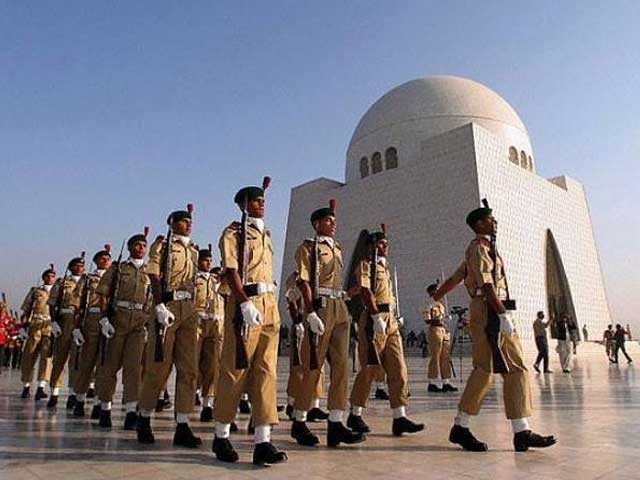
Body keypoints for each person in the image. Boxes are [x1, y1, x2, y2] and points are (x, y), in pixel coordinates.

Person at [434, 203, 556, 452]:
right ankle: (473, 428)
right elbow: (487, 285)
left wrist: (437, 295)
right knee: (505, 367)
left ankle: (501, 429)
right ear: (479, 225)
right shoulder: (479, 248)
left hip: (491, 309)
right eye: (491, 219)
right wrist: (502, 314)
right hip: (490, 311)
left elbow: (457, 278)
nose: (495, 222)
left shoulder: (485, 249)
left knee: (495, 369)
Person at [212, 182, 287, 465]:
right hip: (247, 304)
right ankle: (221, 436)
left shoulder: (266, 233)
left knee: (266, 373)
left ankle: (263, 442)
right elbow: (232, 271)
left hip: (269, 307)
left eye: (262, 200)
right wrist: (243, 302)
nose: (261, 204)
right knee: (235, 371)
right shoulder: (233, 233)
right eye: (255, 201)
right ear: (243, 204)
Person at [289, 201, 365, 448]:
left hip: (339, 307)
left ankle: (336, 423)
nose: (333, 224)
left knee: (342, 367)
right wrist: (309, 312)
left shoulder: (338, 248)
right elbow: (303, 281)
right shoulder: (308, 248)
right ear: (316, 224)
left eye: (334, 220)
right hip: (320, 307)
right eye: (328, 221)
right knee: (313, 366)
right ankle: (299, 421)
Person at [347, 228, 423, 436]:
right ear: (371, 246)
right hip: (374, 320)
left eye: (386, 243)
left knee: (399, 368)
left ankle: (400, 416)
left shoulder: (385, 269)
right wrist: (374, 316)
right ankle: (355, 413)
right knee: (370, 368)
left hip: (390, 322)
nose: (385, 246)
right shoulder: (365, 265)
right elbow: (365, 290)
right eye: (380, 243)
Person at [136, 206, 201, 448]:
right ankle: (144, 417)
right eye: (183, 221)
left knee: (189, 369)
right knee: (158, 368)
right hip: (168, 305)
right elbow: (153, 274)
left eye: (190, 221)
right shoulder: (161, 246)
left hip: (188, 308)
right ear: (172, 223)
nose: (188, 224)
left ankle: (183, 424)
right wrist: (159, 304)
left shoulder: (193, 250)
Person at [95, 230, 152, 430]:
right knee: (109, 367)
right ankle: (105, 407)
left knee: (133, 368)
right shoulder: (118, 269)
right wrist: (104, 319)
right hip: (117, 319)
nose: (141, 248)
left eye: (144, 245)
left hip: (139, 323)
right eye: (137, 245)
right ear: (129, 247)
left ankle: (130, 411)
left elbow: (153, 297)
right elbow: (103, 294)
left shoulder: (149, 270)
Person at [72, 245, 112, 419]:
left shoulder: (115, 277)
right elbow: (77, 303)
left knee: (104, 365)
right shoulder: (88, 279)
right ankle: (79, 399)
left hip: (110, 322)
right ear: (96, 261)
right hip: (91, 321)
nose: (106, 261)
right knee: (87, 363)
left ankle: (98, 402)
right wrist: (75, 327)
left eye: (108, 258)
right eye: (102, 258)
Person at [283, 271, 328, 423]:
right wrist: (297, 322)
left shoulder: (316, 276)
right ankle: (291, 403)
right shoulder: (296, 279)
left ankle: (314, 405)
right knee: (298, 368)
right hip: (301, 323)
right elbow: (291, 301)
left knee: (317, 366)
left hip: (314, 324)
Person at [47, 255, 85, 409]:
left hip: (79, 322)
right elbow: (52, 303)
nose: (79, 268)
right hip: (64, 321)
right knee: (59, 360)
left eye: (81, 266)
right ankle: (54, 392)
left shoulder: (88, 281)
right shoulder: (62, 282)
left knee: (76, 362)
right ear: (70, 268)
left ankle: (72, 394)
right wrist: (54, 321)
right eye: (76, 265)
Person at [193, 249, 225, 423]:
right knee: (193, 365)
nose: (208, 263)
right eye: (205, 260)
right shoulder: (191, 280)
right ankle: (190, 397)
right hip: (196, 326)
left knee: (212, 368)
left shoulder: (216, 281)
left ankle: (207, 405)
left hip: (215, 327)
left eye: (209, 260)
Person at [18, 266, 56, 400]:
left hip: (50, 326)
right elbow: (26, 310)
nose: (50, 278)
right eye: (48, 276)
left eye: (53, 276)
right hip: (35, 325)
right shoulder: (35, 291)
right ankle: (26, 386)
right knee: (29, 355)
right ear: (44, 278)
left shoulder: (58, 291)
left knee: (47, 358)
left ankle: (41, 387)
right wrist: (23, 326)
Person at [423, 283, 457, 393]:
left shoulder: (441, 305)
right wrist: (439, 320)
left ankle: (446, 382)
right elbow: (427, 320)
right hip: (435, 330)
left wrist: (446, 319)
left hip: (444, 330)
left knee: (445, 357)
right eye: (436, 291)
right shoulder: (428, 304)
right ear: (431, 292)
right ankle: (432, 382)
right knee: (435, 357)